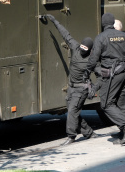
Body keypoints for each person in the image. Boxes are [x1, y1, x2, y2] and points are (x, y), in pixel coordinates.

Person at [40, 14, 99, 146]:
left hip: (81, 89)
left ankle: (71, 136)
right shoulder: (75, 47)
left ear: (90, 50)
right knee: (74, 112)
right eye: (82, 47)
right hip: (71, 87)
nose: (83, 50)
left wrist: (95, 88)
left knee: (72, 111)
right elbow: (65, 34)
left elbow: (101, 75)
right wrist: (54, 20)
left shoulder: (91, 61)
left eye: (86, 49)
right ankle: (89, 133)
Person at [84, 13, 125, 146]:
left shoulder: (101, 38)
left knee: (106, 104)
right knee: (121, 104)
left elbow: (93, 60)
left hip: (112, 75)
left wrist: (87, 72)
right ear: (113, 22)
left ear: (103, 24)